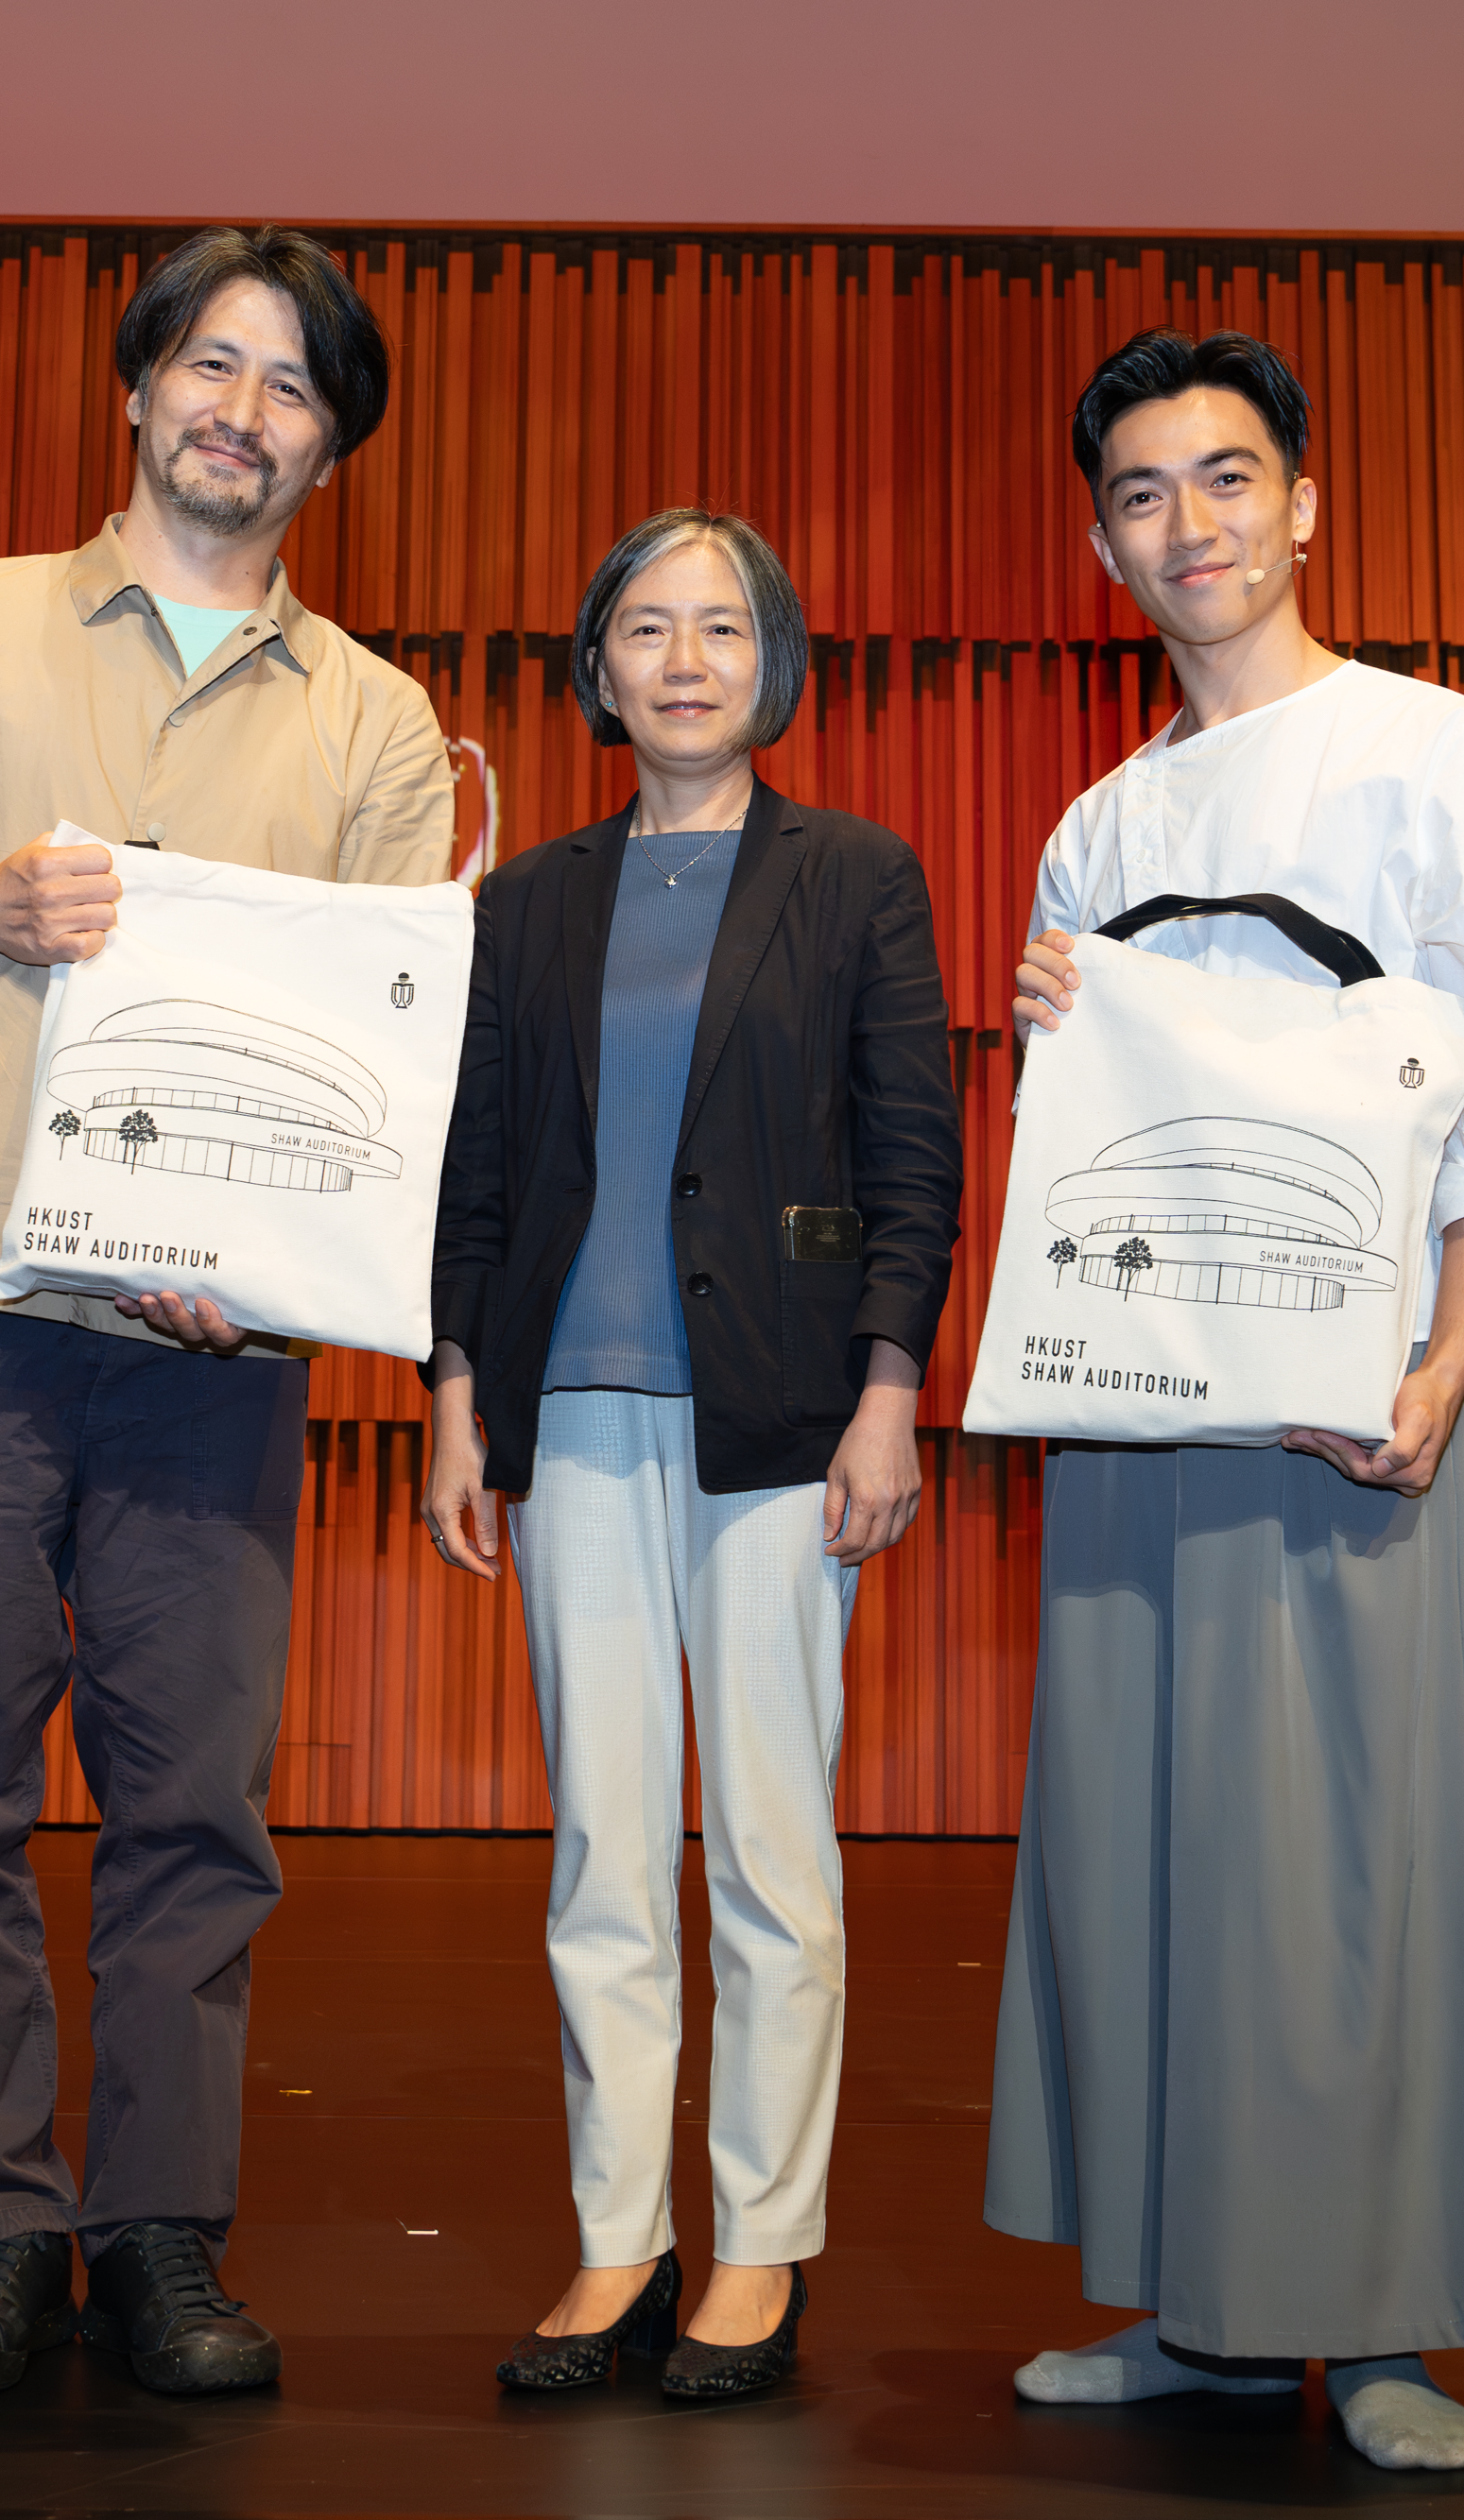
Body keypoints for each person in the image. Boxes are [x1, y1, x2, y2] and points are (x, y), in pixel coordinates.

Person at [0, 226, 456, 2400]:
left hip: (207, 1344)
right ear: (137, 390)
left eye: (293, 386)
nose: (244, 410)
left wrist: (272, 1252)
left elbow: (392, 1042)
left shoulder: (378, 722)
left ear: (328, 445)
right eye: (211, 366)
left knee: (193, 1804)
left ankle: (154, 2230)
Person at [983, 331, 1464, 2472]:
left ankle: (1379, 2316)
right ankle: (1200, 2307)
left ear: (1302, 500)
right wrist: (1055, 1026)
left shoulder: (1436, 750)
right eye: (1141, 494)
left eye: (1225, 478)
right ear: (1098, 543)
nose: (1189, 525)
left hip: (1364, 1398)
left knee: (1354, 1858)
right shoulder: (1095, 825)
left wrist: (1443, 1356)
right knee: (1148, 1856)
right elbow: (1087, 1148)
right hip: (1145, 1400)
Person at [418, 509, 962, 2401]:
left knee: (768, 1850)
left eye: (718, 626)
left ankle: (758, 2245)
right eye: (643, 627)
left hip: (778, 1419)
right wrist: (452, 1391)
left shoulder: (856, 876)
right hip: (568, 1412)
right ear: (593, 666)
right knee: (598, 1851)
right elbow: (473, 1168)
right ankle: (610, 2240)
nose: (680, 657)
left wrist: (887, 1385)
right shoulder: (532, 902)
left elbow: (911, 1155)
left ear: (774, 660)